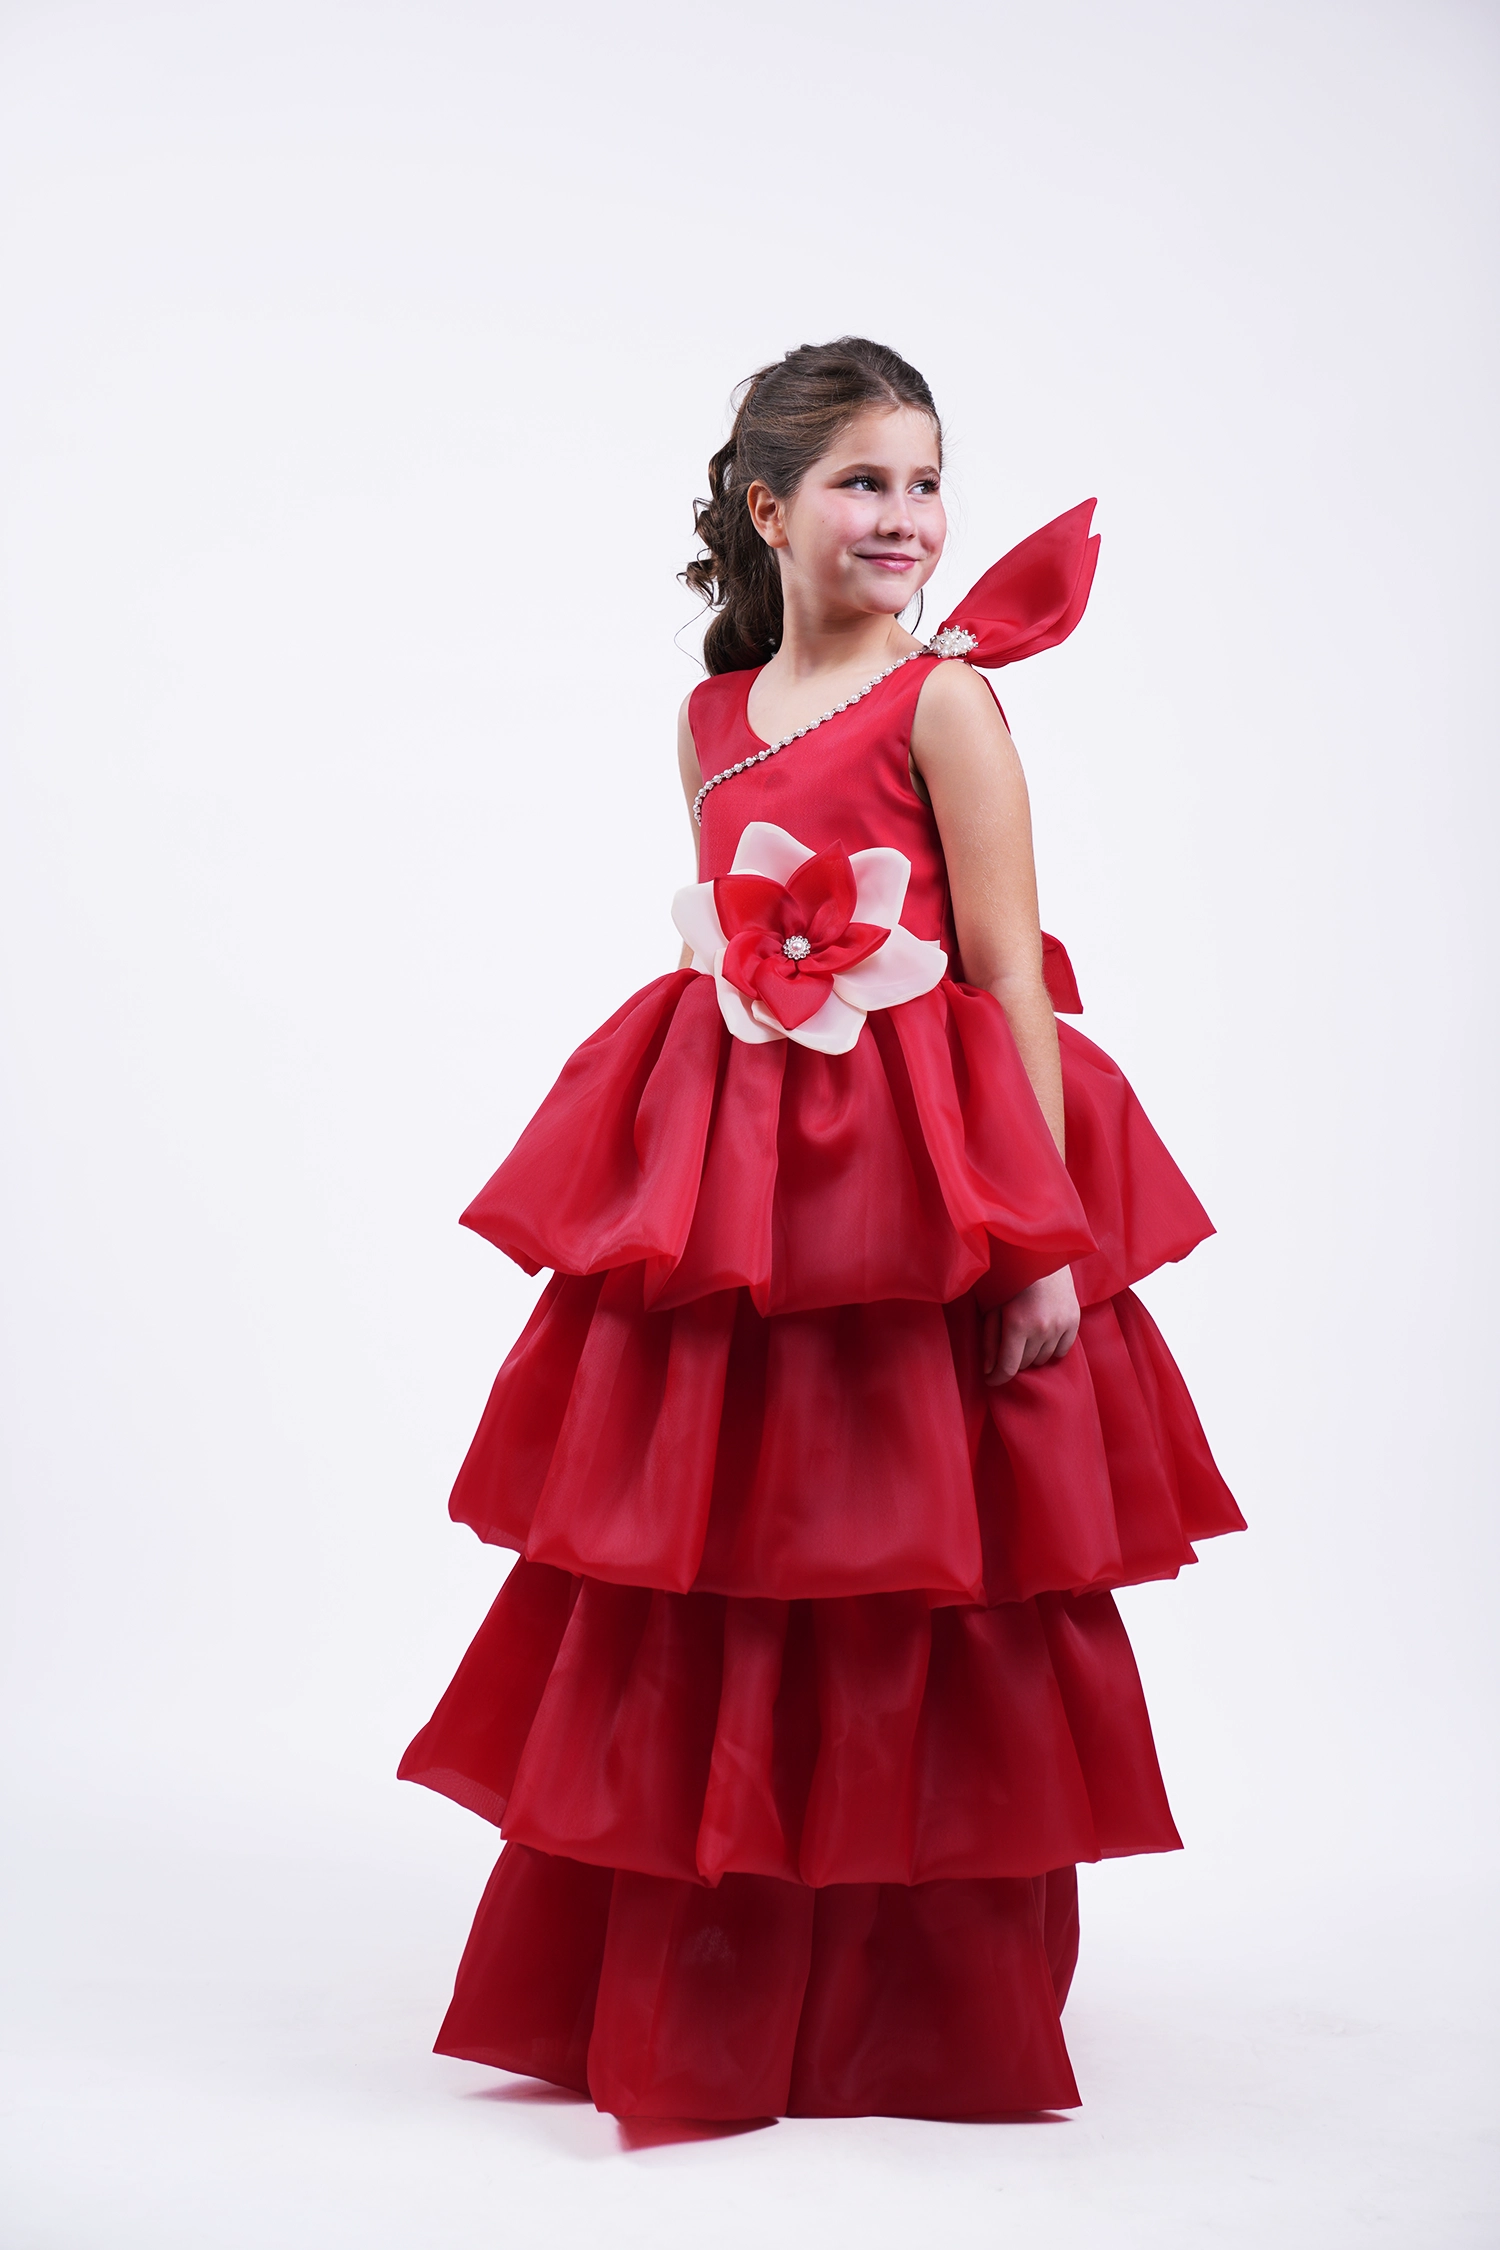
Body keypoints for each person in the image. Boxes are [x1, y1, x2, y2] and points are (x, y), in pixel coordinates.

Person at [400, 336, 1243, 2121]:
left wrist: (1040, 1238)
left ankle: (905, 2010)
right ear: (770, 509)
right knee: (730, 1560)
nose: (908, 516)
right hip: (742, 1206)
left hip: (915, 1202)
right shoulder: (709, 718)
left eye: (928, 482)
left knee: (908, 1575)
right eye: (867, 480)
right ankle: (730, 1987)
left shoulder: (948, 700)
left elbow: (1005, 973)